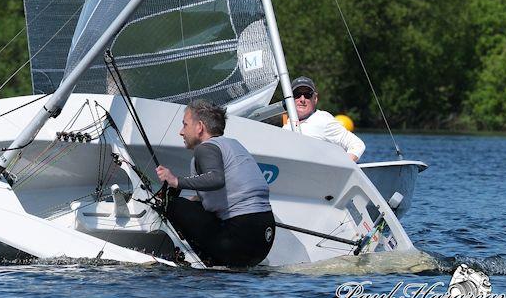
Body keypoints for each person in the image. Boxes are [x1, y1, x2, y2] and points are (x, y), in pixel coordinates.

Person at [155, 100, 275, 267]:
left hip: (239, 241)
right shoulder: (233, 144)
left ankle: (200, 258)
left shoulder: (206, 148)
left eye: (185, 125)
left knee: (174, 205)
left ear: (200, 127)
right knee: (191, 205)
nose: (181, 132)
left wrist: (176, 181)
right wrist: (197, 200)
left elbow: (216, 179)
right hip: (264, 240)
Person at [282, 76, 365, 161]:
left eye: (307, 95)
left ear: (315, 98)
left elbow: (357, 145)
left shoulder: (323, 120)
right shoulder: (286, 120)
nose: (302, 99)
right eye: (297, 94)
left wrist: (341, 168)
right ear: (290, 98)